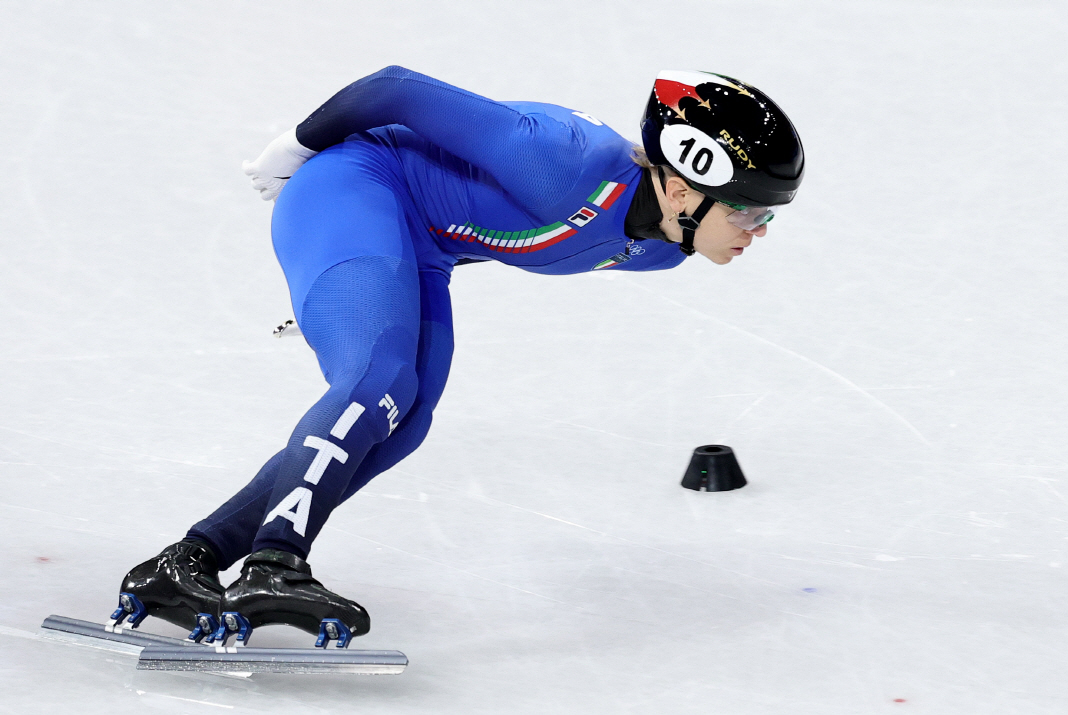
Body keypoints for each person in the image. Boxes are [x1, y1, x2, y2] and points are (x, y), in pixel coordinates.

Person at [113, 67, 805, 640]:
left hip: (420, 245)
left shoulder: (659, 250)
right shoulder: (560, 158)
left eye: (768, 215)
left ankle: (189, 558)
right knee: (378, 377)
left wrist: (370, 290)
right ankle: (275, 561)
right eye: (748, 210)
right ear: (682, 187)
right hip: (355, 185)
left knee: (405, 417)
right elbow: (395, 90)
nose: (759, 230)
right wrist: (295, 151)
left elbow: (522, 234)